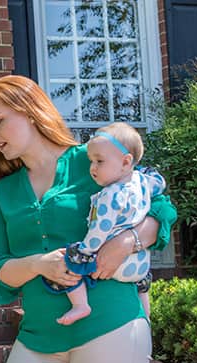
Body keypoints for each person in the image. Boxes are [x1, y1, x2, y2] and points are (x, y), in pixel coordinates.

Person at [0, 75, 176, 363]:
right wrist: (40, 265)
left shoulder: (92, 159)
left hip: (110, 325)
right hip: (39, 337)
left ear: (29, 111)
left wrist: (127, 241)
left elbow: (160, 211)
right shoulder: (5, 192)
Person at [46, 122, 167, 325]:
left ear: (126, 162)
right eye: (91, 161)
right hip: (141, 266)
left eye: (99, 161)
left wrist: (85, 250)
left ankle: (80, 305)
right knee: (142, 288)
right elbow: (160, 184)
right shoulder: (142, 181)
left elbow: (100, 229)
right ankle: (146, 318)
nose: (93, 168)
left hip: (115, 265)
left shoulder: (110, 195)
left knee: (69, 262)